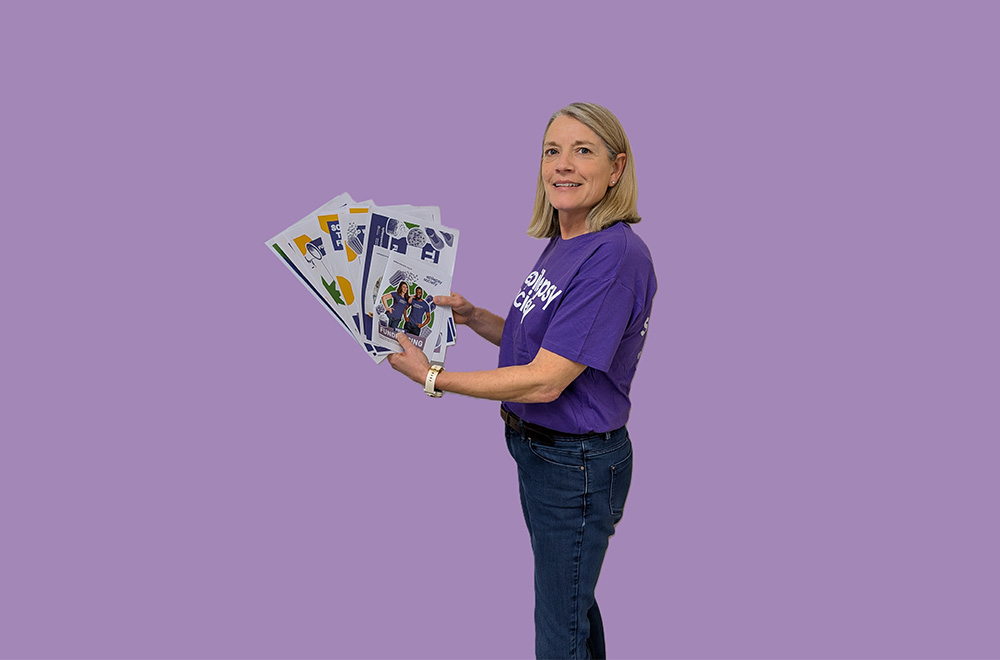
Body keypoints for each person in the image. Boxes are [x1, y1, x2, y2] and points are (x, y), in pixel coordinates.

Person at [388, 102, 656, 659]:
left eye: (584, 151)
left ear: (617, 167)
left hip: (574, 462)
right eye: (552, 150)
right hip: (543, 453)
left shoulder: (615, 255)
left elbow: (545, 381)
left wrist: (433, 376)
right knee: (570, 604)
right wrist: (474, 315)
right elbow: (553, 342)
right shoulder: (569, 240)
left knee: (559, 630)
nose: (563, 164)